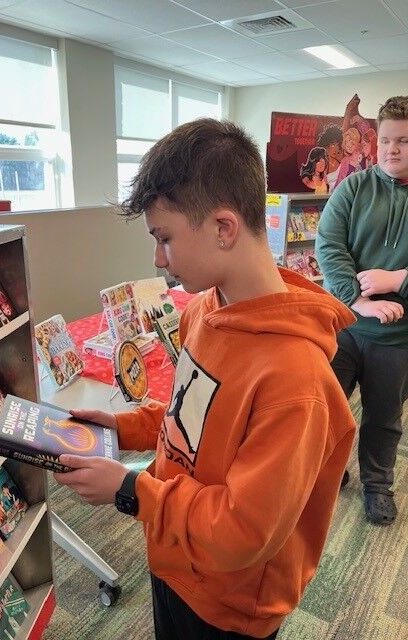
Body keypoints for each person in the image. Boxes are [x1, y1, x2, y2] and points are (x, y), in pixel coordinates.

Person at [54, 118, 356, 640]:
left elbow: (244, 531)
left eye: (164, 238)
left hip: (230, 605)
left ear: (223, 228)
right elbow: (191, 418)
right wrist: (124, 428)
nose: (157, 259)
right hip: (174, 555)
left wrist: (131, 490)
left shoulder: (296, 380)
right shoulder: (202, 311)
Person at [316, 95, 408, 526]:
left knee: (384, 419)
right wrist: (357, 301)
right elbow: (329, 244)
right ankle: (329, 471)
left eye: (403, 141)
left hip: (396, 339)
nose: (392, 149)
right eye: (386, 140)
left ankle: (377, 486)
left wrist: (398, 280)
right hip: (345, 327)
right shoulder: (353, 188)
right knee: (327, 408)